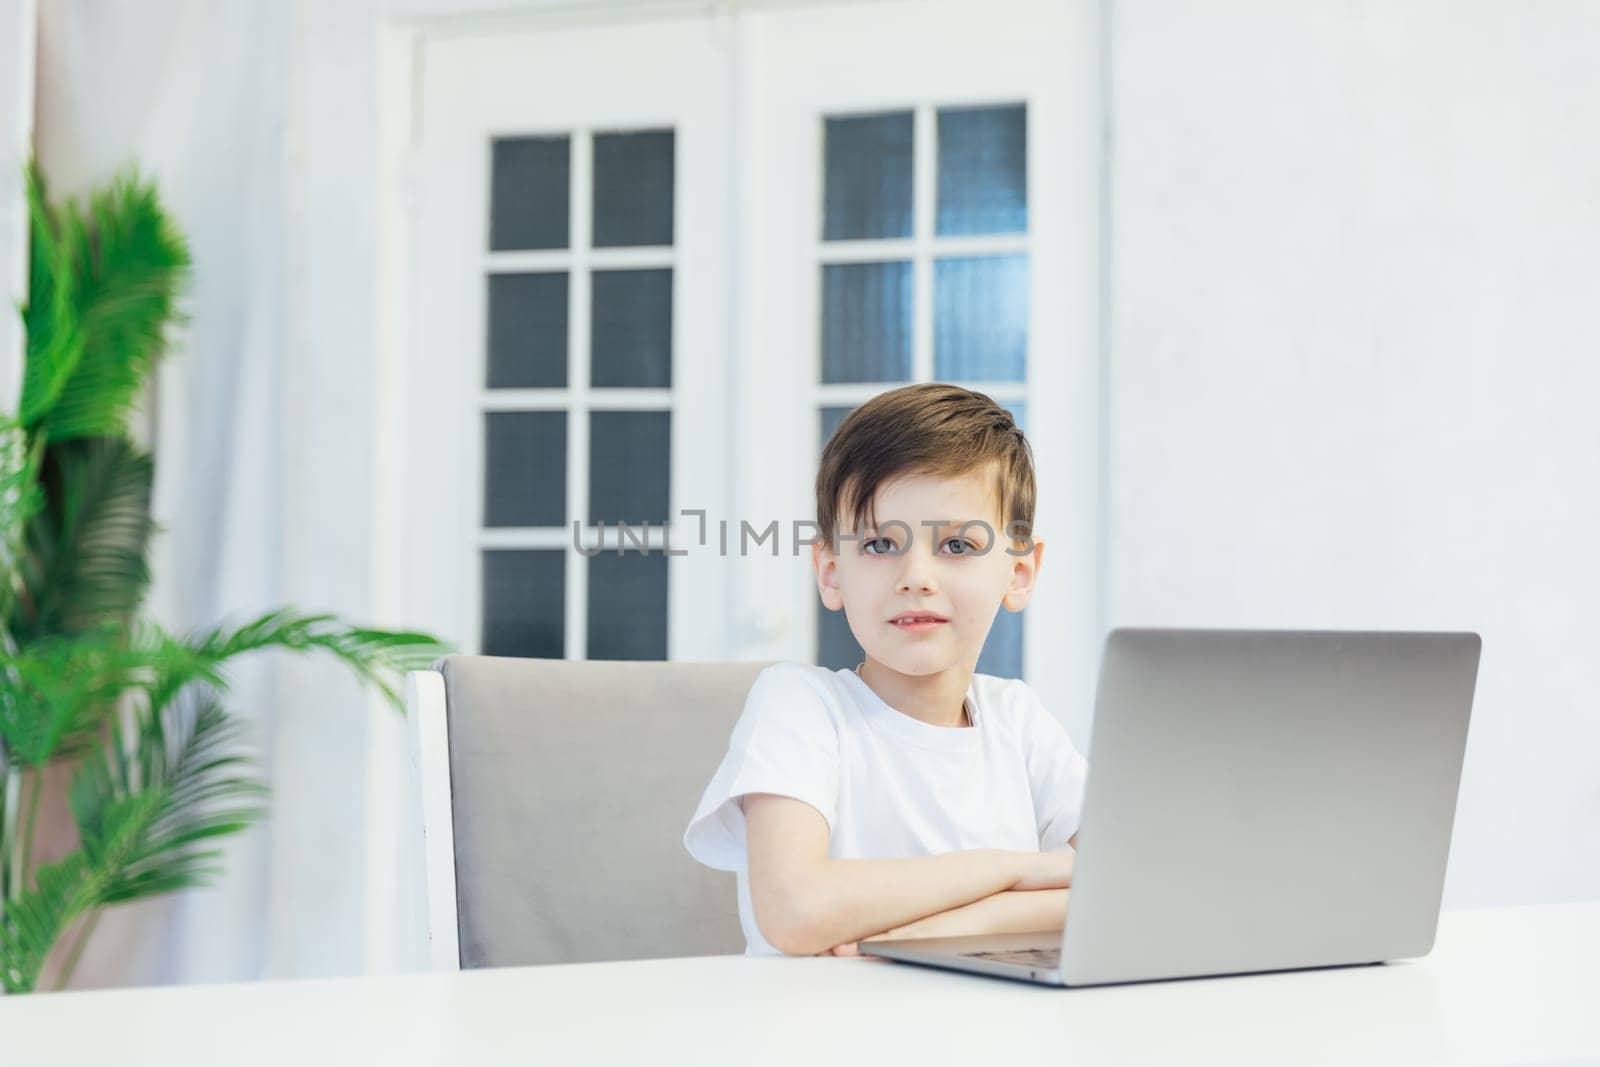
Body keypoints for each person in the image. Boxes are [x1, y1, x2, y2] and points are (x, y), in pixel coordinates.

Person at [683, 383, 1088, 957]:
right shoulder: (800, 705)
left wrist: (935, 931)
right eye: (878, 544)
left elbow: (1131, 886)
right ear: (830, 572)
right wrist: (1013, 869)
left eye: (957, 545)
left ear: (1019, 574)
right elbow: (796, 911)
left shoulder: (1018, 723)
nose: (916, 576)